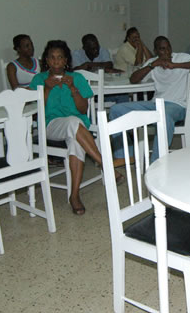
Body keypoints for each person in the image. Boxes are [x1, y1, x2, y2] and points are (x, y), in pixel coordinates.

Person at [29, 40, 121, 216]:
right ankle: (105, 165)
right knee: (73, 122)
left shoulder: (77, 78)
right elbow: (35, 112)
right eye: (52, 58)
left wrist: (72, 88)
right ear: (46, 60)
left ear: (66, 61)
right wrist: (46, 89)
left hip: (77, 126)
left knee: (76, 140)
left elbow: (82, 109)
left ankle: (75, 195)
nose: (56, 61)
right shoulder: (39, 80)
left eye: (60, 58)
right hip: (50, 126)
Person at [109, 36, 190, 161]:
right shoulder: (153, 62)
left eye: (168, 48)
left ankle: (156, 163)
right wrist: (152, 65)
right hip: (155, 104)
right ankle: (125, 155)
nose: (166, 52)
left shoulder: (181, 57)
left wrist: (175, 65)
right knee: (116, 110)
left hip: (177, 106)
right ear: (156, 51)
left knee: (163, 115)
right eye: (162, 49)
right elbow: (133, 79)